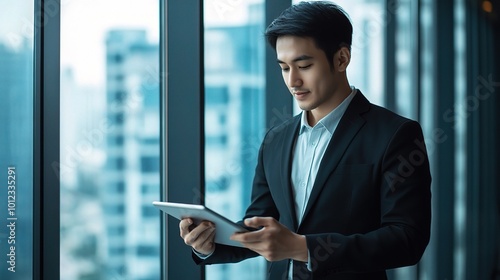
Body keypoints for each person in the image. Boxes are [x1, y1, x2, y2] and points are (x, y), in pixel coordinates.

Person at [179, 1, 431, 279]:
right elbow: (262, 226)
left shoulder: (394, 134)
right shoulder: (276, 139)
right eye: (285, 68)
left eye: (304, 65)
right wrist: (211, 243)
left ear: (341, 59)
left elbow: (407, 239)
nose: (293, 81)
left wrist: (304, 248)